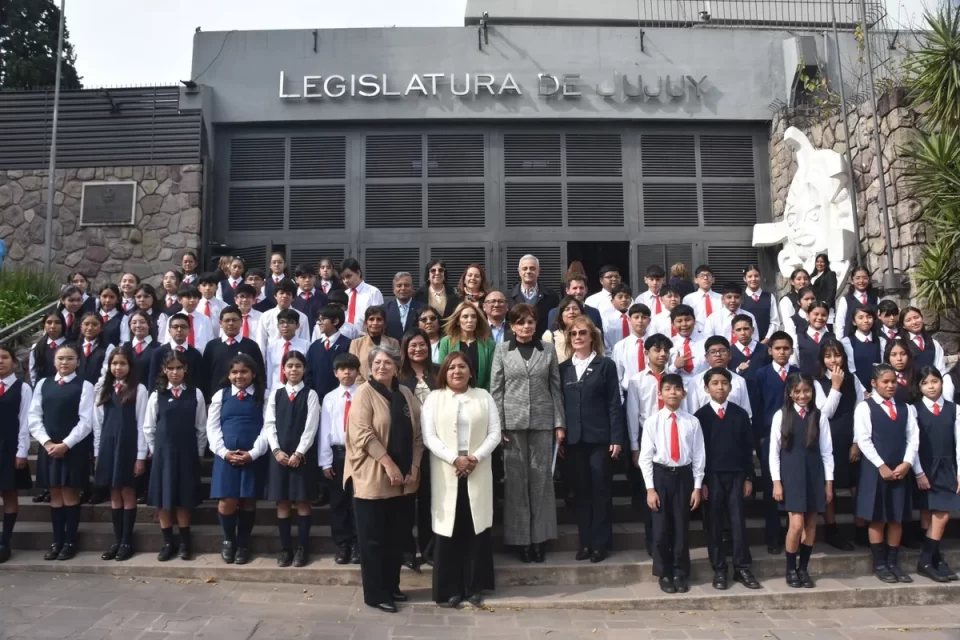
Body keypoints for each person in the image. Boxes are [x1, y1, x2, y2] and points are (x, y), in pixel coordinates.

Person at [345, 345, 423, 613]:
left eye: (388, 362)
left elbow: (418, 434)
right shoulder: (363, 393)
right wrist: (389, 464)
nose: (382, 367)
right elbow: (363, 434)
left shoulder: (405, 393)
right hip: (373, 477)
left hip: (403, 480)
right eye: (377, 362)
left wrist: (414, 465)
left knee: (396, 537)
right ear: (370, 366)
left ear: (396, 367)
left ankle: (392, 586)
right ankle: (376, 593)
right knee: (373, 539)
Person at [422, 352, 500, 607]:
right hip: (447, 470)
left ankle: (474, 586)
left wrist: (474, 458)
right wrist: (455, 459)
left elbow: (495, 433)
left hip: (477, 468)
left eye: (462, 366)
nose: (457, 371)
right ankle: (451, 588)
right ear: (444, 372)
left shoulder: (484, 396)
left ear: (470, 371)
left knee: (475, 528)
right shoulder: (435, 398)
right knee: (450, 528)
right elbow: (429, 436)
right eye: (452, 367)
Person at [490, 303, 564, 564]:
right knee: (516, 482)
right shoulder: (502, 350)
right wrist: (498, 426)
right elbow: (496, 389)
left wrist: (559, 423)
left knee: (542, 481)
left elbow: (555, 387)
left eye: (530, 322)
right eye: (520, 322)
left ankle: (540, 538)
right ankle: (521, 540)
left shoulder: (548, 350)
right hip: (512, 424)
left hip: (543, 422)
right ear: (512, 326)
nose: (526, 326)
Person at [558, 316, 625, 563]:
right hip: (574, 440)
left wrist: (616, 437)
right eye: (573, 334)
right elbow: (560, 404)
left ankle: (600, 543)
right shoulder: (563, 368)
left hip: (599, 438)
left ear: (592, 337)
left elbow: (614, 403)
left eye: (582, 333)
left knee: (600, 491)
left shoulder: (605, 365)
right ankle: (585, 542)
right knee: (581, 492)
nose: (578, 337)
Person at [694, 367, 759, 591]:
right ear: (706, 388)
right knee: (713, 523)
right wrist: (700, 482)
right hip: (711, 478)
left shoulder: (740, 414)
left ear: (730, 387)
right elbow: (698, 452)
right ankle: (719, 568)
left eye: (724, 383)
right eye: (715, 383)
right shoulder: (700, 417)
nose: (720, 387)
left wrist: (749, 477)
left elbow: (747, 448)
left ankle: (742, 567)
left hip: (737, 475)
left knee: (737, 521)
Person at [28, 343, 95, 561]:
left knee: (70, 493)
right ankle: (56, 541)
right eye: (60, 358)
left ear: (77, 361)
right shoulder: (43, 384)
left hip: (72, 448)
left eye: (69, 358)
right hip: (49, 448)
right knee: (55, 494)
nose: (64, 362)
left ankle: (69, 541)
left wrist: (66, 444)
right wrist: (46, 442)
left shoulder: (84, 385)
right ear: (54, 361)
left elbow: (86, 421)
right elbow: (34, 416)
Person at [639, 373, 704, 594]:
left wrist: (697, 486)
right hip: (661, 476)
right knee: (660, 529)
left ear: (684, 393)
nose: (672, 393)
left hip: (684, 477)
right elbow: (645, 458)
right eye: (667, 389)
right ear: (660, 394)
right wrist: (650, 489)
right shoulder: (652, 422)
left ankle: (679, 572)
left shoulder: (692, 422)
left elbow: (699, 456)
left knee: (681, 527)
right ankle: (664, 572)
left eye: (677, 389)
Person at [855, 364, 919, 583]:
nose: (891, 385)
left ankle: (893, 561)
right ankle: (880, 563)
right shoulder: (865, 408)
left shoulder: (905, 408)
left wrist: (907, 463)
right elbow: (863, 440)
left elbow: (913, 438)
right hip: (876, 471)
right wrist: (881, 465)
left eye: (894, 381)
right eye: (886, 382)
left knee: (896, 518)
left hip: (900, 469)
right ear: (874, 383)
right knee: (877, 518)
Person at [769, 372, 834, 589]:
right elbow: (773, 453)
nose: (802, 395)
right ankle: (790, 568)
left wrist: (828, 483)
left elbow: (827, 452)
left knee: (811, 524)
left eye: (806, 391)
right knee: (796, 525)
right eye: (797, 391)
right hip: (791, 474)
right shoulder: (781, 416)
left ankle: (803, 568)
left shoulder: (819, 416)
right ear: (790, 393)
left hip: (814, 474)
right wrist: (777, 482)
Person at [144, 348, 207, 561]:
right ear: (164, 370)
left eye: (179, 368)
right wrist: (156, 451)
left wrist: (199, 452)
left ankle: (185, 543)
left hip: (187, 452)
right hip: (163, 454)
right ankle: (168, 542)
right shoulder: (157, 394)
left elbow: (201, 427)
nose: (175, 372)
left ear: (185, 369)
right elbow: (149, 427)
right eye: (170, 368)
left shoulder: (195, 393)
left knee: (183, 499)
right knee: (164, 500)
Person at [207, 354, 270, 565]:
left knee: (248, 500)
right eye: (234, 372)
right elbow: (212, 428)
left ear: (253, 373)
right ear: (228, 375)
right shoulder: (221, 396)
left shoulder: (264, 395)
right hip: (226, 457)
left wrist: (253, 453)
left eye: (244, 371)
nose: (239, 376)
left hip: (252, 456)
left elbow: (268, 427)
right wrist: (223, 452)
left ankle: (243, 542)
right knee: (227, 500)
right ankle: (228, 539)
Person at [264, 350, 320, 568]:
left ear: (304, 369)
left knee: (303, 501)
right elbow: (269, 424)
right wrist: (276, 451)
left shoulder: (311, 394)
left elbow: (311, 427)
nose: (294, 369)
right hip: (279, 457)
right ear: (283, 369)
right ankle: (285, 548)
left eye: (298, 366)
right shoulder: (276, 395)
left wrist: (299, 453)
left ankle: (302, 548)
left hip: (301, 457)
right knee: (283, 502)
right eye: (290, 366)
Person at [93, 347, 148, 562]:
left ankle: (126, 541)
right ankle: (116, 540)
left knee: (127, 492)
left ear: (130, 366)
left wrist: (140, 455)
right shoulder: (103, 389)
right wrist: (97, 452)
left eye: (122, 363)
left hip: (128, 446)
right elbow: (98, 424)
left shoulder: (139, 389)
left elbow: (142, 423)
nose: (118, 367)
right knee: (114, 493)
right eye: (114, 363)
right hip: (108, 446)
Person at [814, 338, 868, 551]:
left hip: (852, 438)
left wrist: (856, 442)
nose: (833, 360)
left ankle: (861, 529)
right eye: (828, 356)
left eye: (837, 355)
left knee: (857, 486)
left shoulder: (853, 379)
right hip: (829, 441)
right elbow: (825, 414)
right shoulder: (817, 382)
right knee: (830, 486)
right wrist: (835, 386)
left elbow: (861, 410)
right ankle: (831, 530)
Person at [625, 333, 672, 555]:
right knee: (650, 489)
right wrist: (635, 447)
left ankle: (670, 539)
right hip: (647, 436)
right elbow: (632, 414)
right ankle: (653, 541)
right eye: (657, 350)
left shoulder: (675, 379)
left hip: (671, 433)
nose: (662, 354)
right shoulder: (637, 381)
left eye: (666, 350)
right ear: (646, 353)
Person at [911, 366, 960, 583]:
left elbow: (959, 442)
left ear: (942, 382)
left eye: (935, 381)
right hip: (924, 466)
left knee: (942, 513)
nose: (931, 387)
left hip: (946, 467)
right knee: (928, 512)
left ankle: (927, 558)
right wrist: (919, 472)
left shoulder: (954, 409)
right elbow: (912, 443)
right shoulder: (914, 410)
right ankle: (933, 558)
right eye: (925, 383)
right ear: (919, 386)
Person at [755, 331, 800, 554]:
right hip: (768, 438)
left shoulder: (798, 374)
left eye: (786, 348)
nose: (782, 352)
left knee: (792, 485)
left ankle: (793, 534)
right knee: (771, 487)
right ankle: (773, 536)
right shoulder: (761, 374)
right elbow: (756, 406)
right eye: (778, 348)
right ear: (770, 350)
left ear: (791, 350)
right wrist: (759, 437)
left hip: (795, 437)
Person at [398, 329, 438, 567]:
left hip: (434, 446)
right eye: (413, 345)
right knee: (405, 500)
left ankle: (429, 549)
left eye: (422, 344)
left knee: (429, 499)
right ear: (405, 348)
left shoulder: (438, 372)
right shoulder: (398, 376)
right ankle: (406, 552)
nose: (418, 349)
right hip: (407, 446)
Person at [320, 353, 362, 565]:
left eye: (351, 368)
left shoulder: (363, 394)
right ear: (335, 373)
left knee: (357, 501)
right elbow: (325, 431)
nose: (347, 372)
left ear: (357, 372)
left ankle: (357, 544)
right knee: (338, 502)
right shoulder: (329, 398)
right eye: (342, 369)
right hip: (338, 454)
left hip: (360, 455)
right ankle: (343, 544)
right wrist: (325, 461)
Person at [0, 345, 33, 564]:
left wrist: (22, 451)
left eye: (4, 357)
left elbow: (24, 422)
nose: (0, 361)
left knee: (9, 493)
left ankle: (5, 542)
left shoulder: (22, 388)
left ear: (13, 361)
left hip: (10, 446)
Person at [201, 306, 266, 402]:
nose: (231, 323)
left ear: (241, 322)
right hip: (216, 399)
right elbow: (204, 376)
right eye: (227, 320)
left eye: (235, 320)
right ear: (220, 324)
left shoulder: (251, 346)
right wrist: (207, 400)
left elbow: (260, 374)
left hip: (246, 398)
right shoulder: (212, 346)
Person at [685, 337, 752, 419]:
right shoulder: (696, 381)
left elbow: (746, 413)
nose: (718, 355)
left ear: (729, 355)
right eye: (713, 352)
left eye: (722, 351)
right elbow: (693, 414)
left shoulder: (739, 381)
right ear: (706, 357)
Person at [305, 305, 353, 403]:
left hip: (340, 398)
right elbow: (308, 373)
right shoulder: (314, 346)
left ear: (335, 321)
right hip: (316, 399)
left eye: (323, 319)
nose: (319, 323)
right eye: (319, 320)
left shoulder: (348, 344)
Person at [148, 313, 204, 391]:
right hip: (163, 395)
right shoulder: (158, 353)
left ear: (189, 331)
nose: (179, 330)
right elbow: (153, 381)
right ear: (169, 331)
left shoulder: (195, 354)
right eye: (175, 327)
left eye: (183, 327)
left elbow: (199, 383)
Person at [509, 255, 561, 337]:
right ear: (519, 271)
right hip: (517, 342)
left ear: (538, 271)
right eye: (524, 268)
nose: (528, 271)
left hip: (543, 342)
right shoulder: (508, 296)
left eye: (532, 268)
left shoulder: (552, 296)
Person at [349, 306, 400, 383]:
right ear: (365, 323)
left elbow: (397, 368)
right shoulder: (356, 343)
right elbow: (353, 369)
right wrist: (365, 387)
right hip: (362, 387)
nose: (375, 323)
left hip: (388, 386)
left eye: (379, 319)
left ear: (384, 323)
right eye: (371, 319)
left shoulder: (393, 343)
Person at [264, 309, 310, 390]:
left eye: (290, 322)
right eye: (282, 322)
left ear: (297, 325)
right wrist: (269, 390)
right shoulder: (272, 347)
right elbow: (269, 371)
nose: (285, 325)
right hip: (276, 389)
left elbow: (308, 371)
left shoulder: (306, 345)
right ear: (277, 326)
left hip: (298, 389)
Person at [612, 303, 652, 390]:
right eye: (636, 317)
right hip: (629, 391)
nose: (640, 321)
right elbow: (617, 375)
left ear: (649, 321)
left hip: (651, 390)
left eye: (644, 317)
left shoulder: (655, 344)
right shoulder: (620, 346)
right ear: (629, 320)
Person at [843, 305, 884, 390]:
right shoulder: (847, 342)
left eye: (869, 317)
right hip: (856, 388)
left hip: (878, 388)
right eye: (860, 317)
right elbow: (850, 370)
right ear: (854, 322)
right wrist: (863, 390)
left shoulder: (881, 341)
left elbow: (883, 367)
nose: (865, 321)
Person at [339, 258, 385, 335]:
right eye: (343, 278)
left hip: (365, 336)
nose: (346, 281)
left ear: (358, 273)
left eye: (348, 276)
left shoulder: (373, 292)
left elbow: (377, 317)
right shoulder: (344, 295)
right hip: (345, 336)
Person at [259, 278, 310, 346]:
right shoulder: (265, 316)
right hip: (272, 352)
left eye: (288, 294)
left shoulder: (302, 317)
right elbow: (261, 342)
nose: (285, 296)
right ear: (275, 296)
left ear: (293, 298)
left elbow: (305, 342)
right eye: (281, 293)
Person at [834, 267, 880, 340]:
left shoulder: (876, 299)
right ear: (852, 281)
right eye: (857, 278)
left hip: (872, 339)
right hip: (850, 340)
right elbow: (840, 323)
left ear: (869, 280)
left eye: (865, 278)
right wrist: (840, 341)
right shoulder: (846, 299)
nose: (861, 281)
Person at [899, 306, 947, 374]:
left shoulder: (934, 343)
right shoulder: (900, 343)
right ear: (903, 325)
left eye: (916, 317)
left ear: (922, 318)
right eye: (908, 320)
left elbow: (941, 369)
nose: (914, 322)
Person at [665, 305, 706, 380]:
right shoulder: (668, 345)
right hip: (678, 385)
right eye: (679, 321)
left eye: (687, 320)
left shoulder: (706, 342)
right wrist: (675, 366)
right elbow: (664, 375)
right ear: (673, 324)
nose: (684, 324)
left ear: (694, 321)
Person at [741, 265, 780, 343]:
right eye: (750, 276)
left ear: (760, 277)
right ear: (745, 279)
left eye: (756, 276)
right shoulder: (740, 297)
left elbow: (774, 321)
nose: (753, 279)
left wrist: (766, 339)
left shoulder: (769, 297)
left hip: (767, 343)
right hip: (745, 343)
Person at [385, 272, 425, 342]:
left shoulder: (423, 308)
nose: (403, 288)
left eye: (406, 285)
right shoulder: (384, 310)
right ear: (393, 289)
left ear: (412, 288)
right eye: (399, 285)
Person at [29, 312, 66, 387]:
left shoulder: (71, 346)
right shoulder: (37, 347)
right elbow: (33, 372)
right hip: (43, 387)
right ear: (44, 325)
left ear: (63, 325)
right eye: (49, 322)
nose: (53, 326)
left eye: (57, 323)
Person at [682, 265, 722, 332]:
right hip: (696, 333)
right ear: (696, 280)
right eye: (702, 276)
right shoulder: (688, 299)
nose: (705, 278)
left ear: (713, 279)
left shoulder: (721, 298)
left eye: (708, 275)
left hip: (718, 333)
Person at [600, 283, 635, 353]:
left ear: (631, 301)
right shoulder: (607, 320)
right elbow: (606, 343)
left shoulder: (635, 319)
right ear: (612, 301)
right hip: (613, 356)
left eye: (627, 297)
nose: (624, 300)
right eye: (620, 297)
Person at [778, 268, 810, 335]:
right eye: (798, 279)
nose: (803, 281)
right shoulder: (787, 300)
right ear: (792, 282)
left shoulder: (813, 297)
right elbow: (787, 324)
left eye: (805, 279)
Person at [810, 254, 838, 325]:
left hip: (825, 307)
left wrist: (826, 306)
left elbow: (832, 291)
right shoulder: (812, 276)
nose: (819, 264)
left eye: (822, 262)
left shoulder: (830, 274)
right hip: (813, 307)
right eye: (817, 261)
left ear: (826, 263)